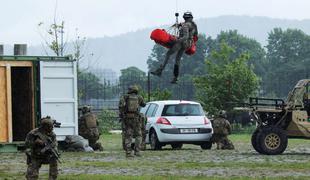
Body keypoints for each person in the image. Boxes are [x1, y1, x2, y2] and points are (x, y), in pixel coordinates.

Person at [151, 11, 198, 84]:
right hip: (188, 45)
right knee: (177, 60)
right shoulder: (194, 25)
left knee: (168, 54)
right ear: (191, 18)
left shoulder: (185, 25)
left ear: (185, 17)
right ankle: (175, 78)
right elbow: (194, 36)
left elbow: (185, 36)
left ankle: (160, 71)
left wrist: (177, 40)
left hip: (182, 43)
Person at [119, 85, 146, 157]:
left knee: (128, 135)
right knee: (138, 135)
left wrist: (122, 116)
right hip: (136, 119)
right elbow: (144, 105)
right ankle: (137, 151)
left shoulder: (125, 97)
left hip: (127, 118)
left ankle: (128, 152)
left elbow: (121, 106)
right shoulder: (139, 97)